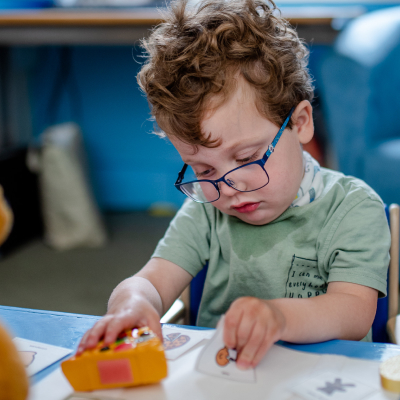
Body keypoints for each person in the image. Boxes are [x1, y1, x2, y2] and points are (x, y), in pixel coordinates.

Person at [78, 0, 390, 370]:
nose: (228, 187)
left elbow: (353, 313)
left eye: (246, 158)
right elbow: (152, 281)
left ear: (301, 123)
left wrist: (279, 318)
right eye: (204, 170)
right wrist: (132, 303)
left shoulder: (353, 207)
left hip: (324, 379)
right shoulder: (206, 210)